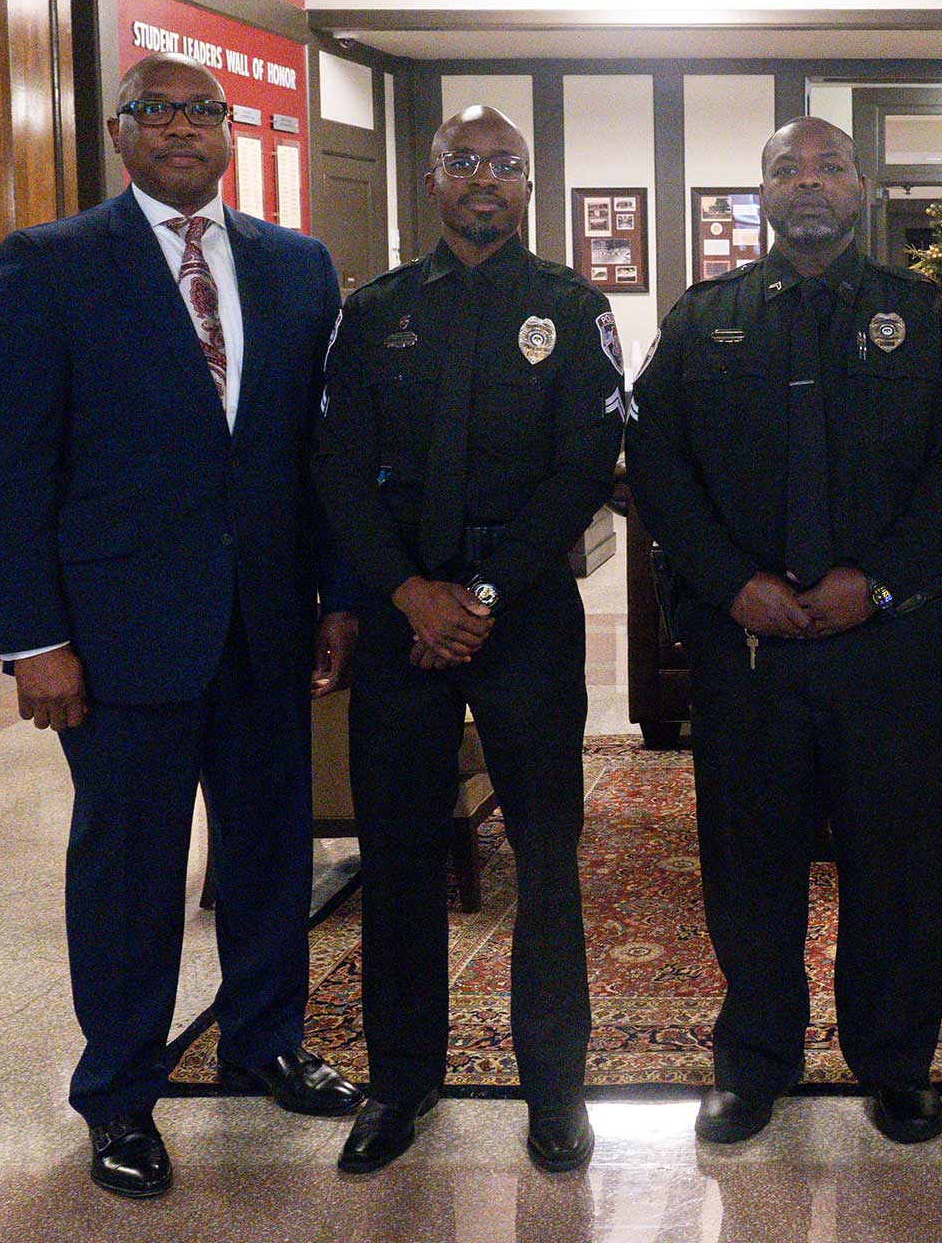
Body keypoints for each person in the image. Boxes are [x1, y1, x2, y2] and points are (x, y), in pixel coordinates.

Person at [0, 53, 362, 1200]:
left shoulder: (296, 267)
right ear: (118, 129)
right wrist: (33, 635)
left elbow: (319, 455)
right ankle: (121, 1091)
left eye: (204, 110)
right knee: (131, 866)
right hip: (117, 632)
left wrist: (336, 596)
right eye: (159, 110)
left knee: (269, 847)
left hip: (269, 622)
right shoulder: (50, 266)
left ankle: (266, 1040)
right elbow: (7, 469)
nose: (183, 127)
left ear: (230, 132)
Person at [627, 116, 942, 1147]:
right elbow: (659, 464)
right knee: (749, 864)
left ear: (863, 187)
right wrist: (729, 581)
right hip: (748, 649)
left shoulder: (921, 318)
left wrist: (876, 581)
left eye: (829, 164)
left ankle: (893, 1062)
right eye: (786, 166)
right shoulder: (705, 320)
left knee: (897, 862)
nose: (808, 181)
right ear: (762, 192)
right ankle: (755, 1060)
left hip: (887, 645)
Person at [313, 106, 625, 1175]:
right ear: (432, 176)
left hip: (526, 612)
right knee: (399, 856)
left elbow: (586, 466)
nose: (484, 179)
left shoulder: (573, 309)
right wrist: (408, 593)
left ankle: (555, 1087)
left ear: (530, 182)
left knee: (546, 858)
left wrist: (482, 591)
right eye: (463, 162)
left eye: (505, 165)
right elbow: (337, 469)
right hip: (407, 621)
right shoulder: (376, 311)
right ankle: (402, 1083)